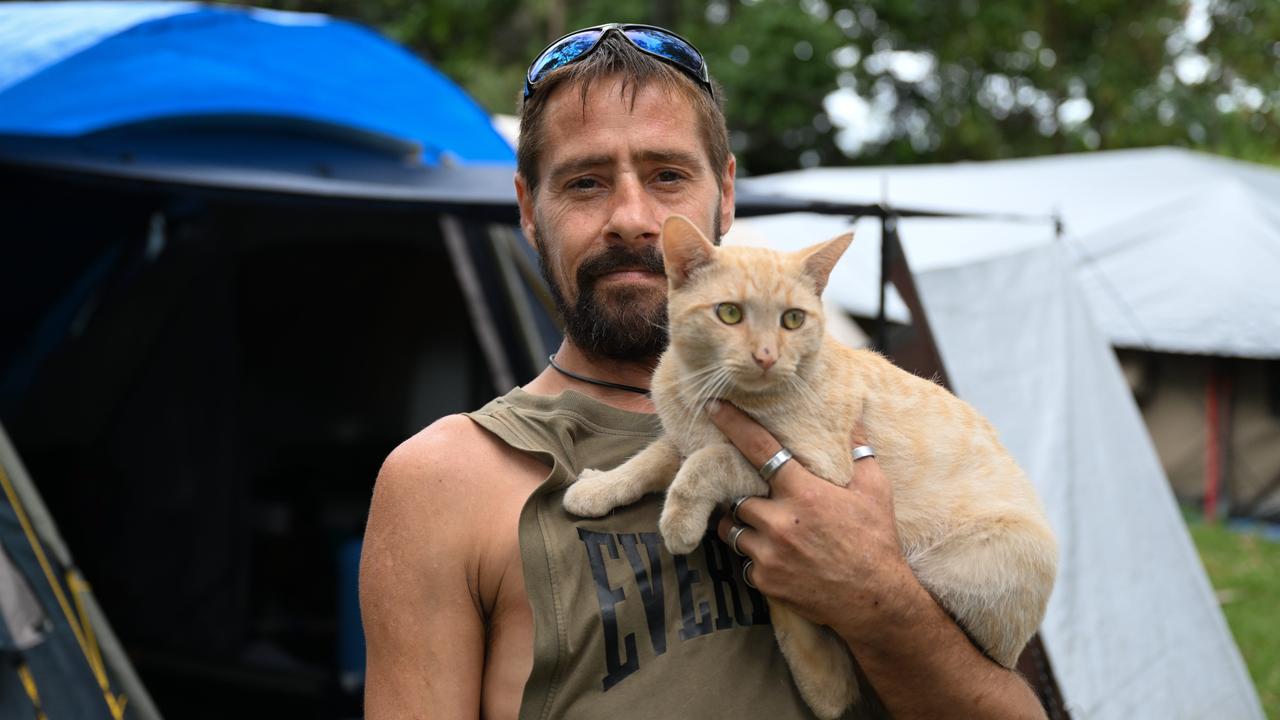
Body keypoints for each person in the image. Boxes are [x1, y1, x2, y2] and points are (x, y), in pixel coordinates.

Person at [360, 24, 1048, 720]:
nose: (633, 219)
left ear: (724, 194)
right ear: (529, 212)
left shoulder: (869, 420)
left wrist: (879, 598)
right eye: (585, 181)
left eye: (667, 175)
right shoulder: (443, 484)